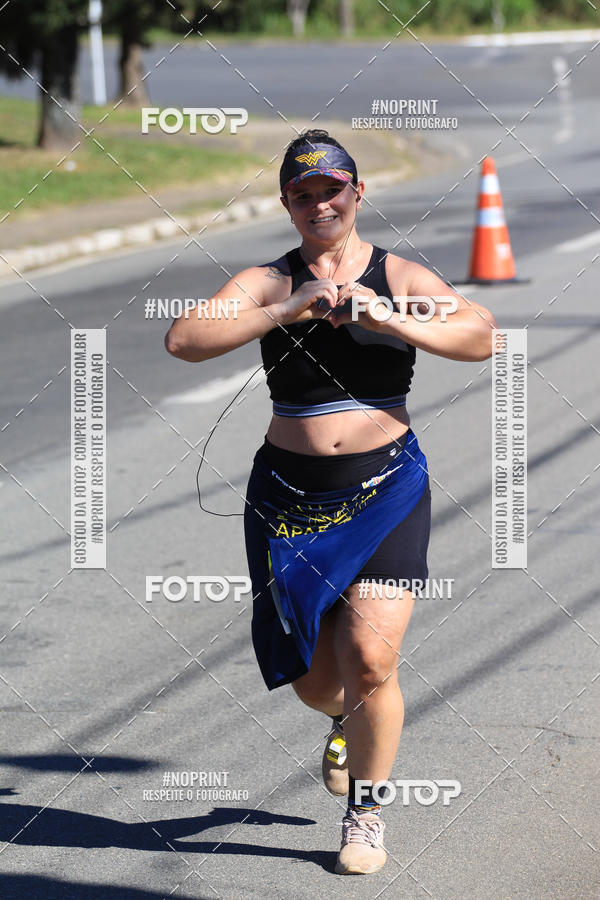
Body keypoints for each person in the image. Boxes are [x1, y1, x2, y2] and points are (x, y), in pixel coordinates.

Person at [165, 129, 497, 875]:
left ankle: (365, 815)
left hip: (385, 491)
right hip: (287, 500)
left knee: (371, 659)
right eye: (304, 194)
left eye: (332, 190)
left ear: (357, 193)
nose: (321, 204)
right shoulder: (269, 280)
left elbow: (481, 336)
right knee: (316, 680)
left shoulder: (398, 273)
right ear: (288, 204)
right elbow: (184, 339)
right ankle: (344, 720)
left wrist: (389, 318)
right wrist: (288, 310)